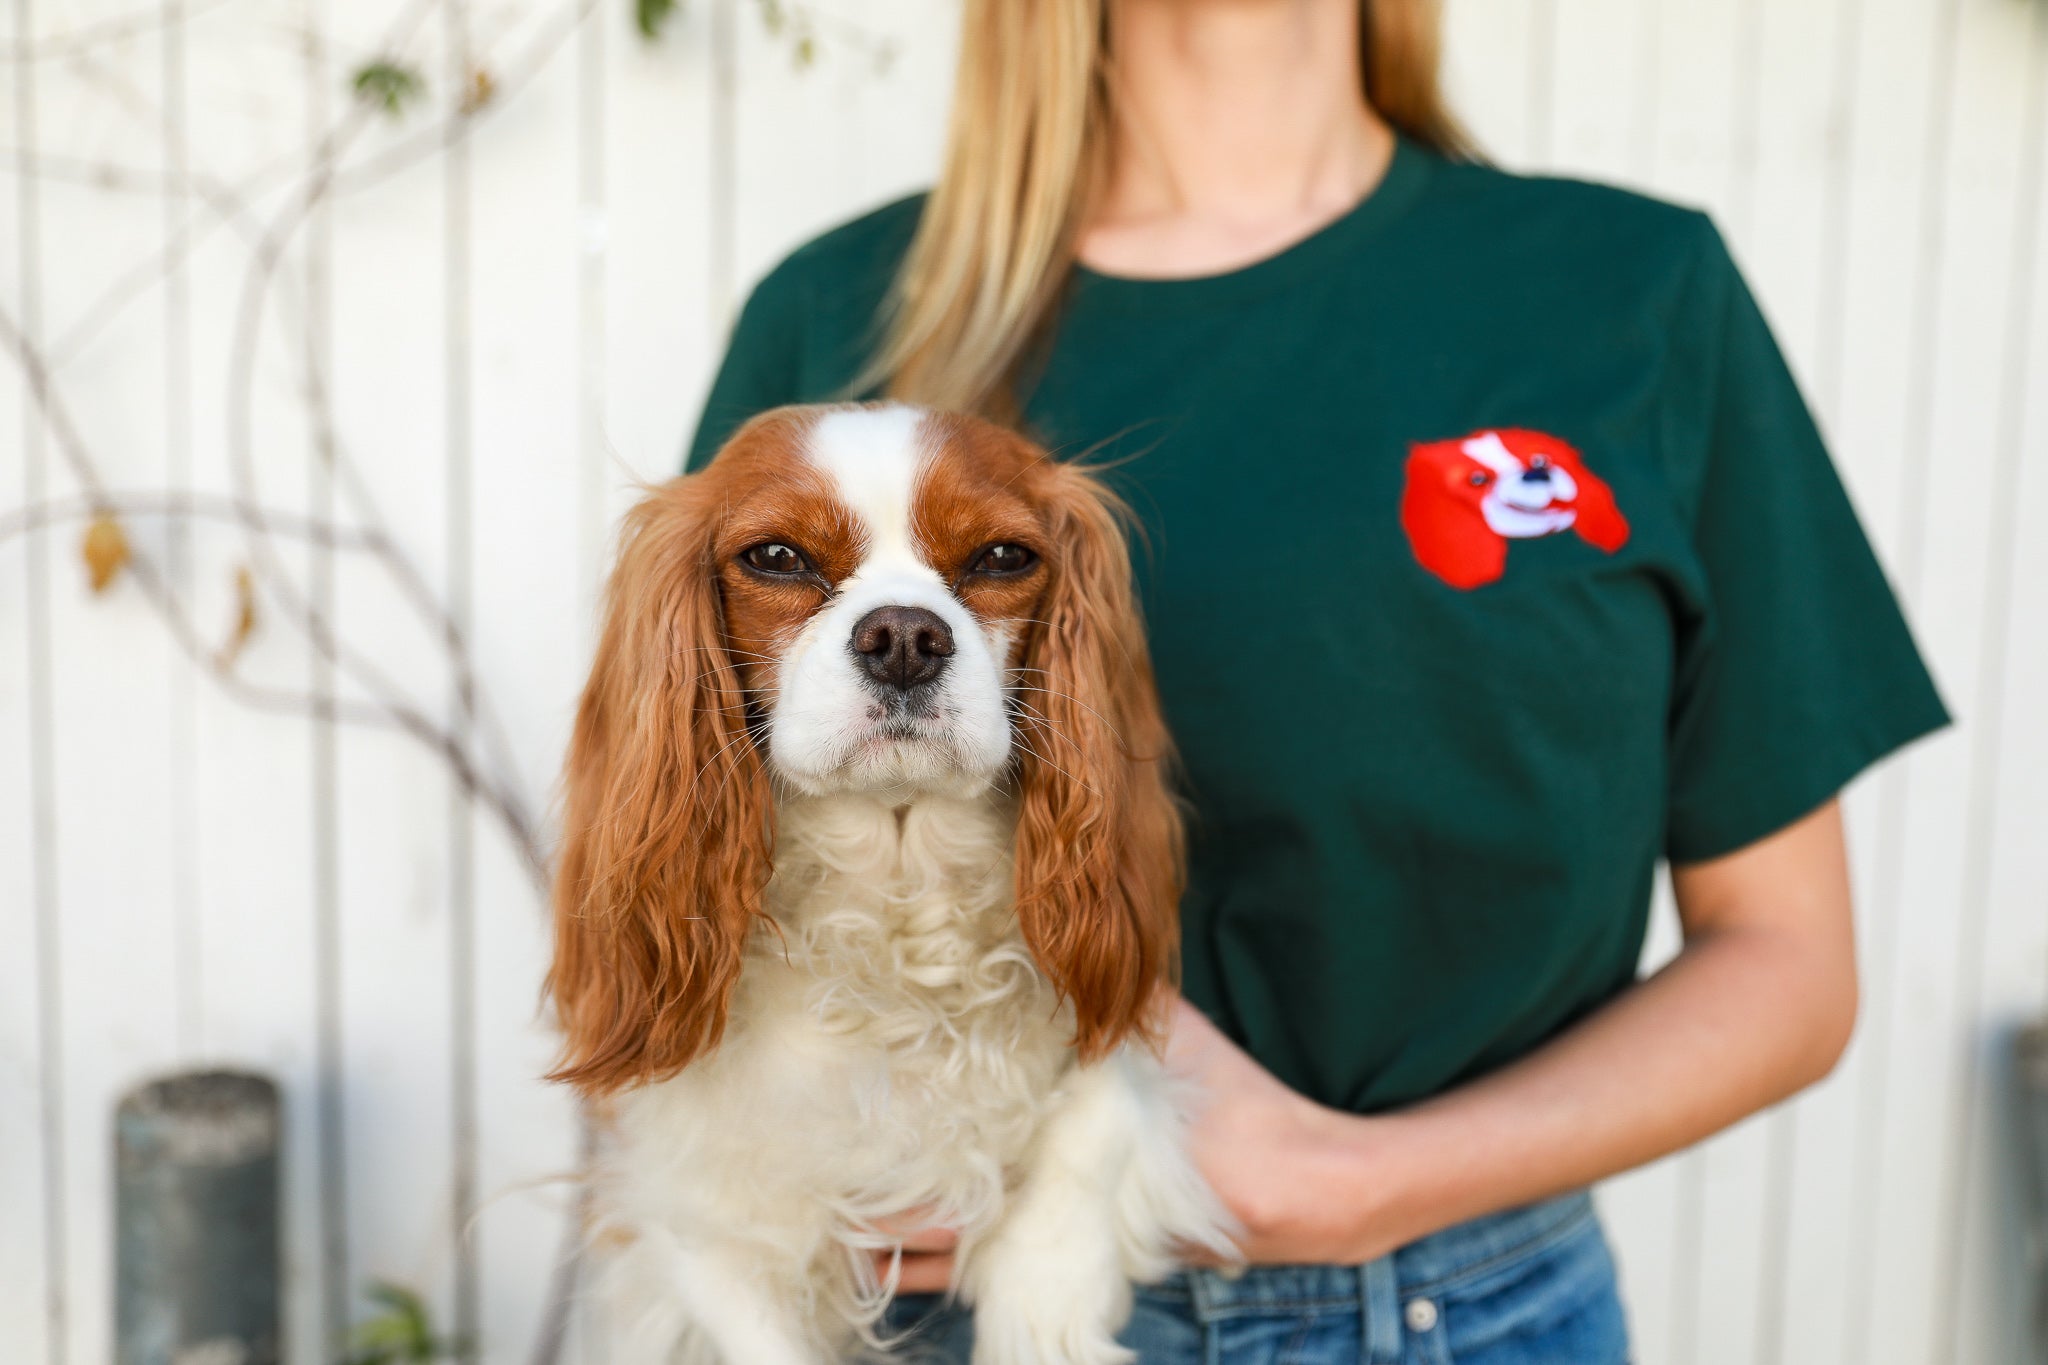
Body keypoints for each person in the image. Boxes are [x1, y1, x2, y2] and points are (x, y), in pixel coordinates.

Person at [684, 0, 1950, 1360]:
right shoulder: (843, 317)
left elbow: (1791, 964)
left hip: (1479, 1305)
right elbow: (671, 894)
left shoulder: (1630, 291)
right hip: (955, 1309)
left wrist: (1355, 1185)